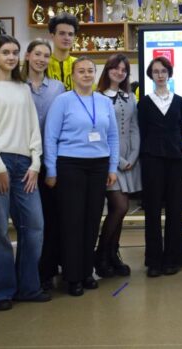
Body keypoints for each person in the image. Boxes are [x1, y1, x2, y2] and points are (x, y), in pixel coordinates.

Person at [0, 35, 48, 311]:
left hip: (25, 165)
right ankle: (1, 292)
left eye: (15, 52)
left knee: (34, 227)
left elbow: (33, 128)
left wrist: (35, 163)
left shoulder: (22, 88)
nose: (11, 57)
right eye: (5, 52)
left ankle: (28, 287)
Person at [44, 57, 119, 296]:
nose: (86, 75)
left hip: (99, 165)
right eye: (81, 71)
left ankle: (87, 272)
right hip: (70, 164)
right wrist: (51, 169)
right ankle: (73, 276)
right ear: (73, 76)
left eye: (90, 71)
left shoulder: (103, 102)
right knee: (72, 222)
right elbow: (50, 136)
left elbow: (113, 136)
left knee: (92, 220)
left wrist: (112, 167)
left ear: (95, 74)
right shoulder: (63, 101)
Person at [138, 57, 182, 277]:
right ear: (151, 75)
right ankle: (154, 261)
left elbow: (180, 129)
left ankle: (173, 259)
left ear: (169, 74)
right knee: (152, 210)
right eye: (156, 71)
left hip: (176, 159)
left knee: (176, 209)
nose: (160, 75)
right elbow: (142, 131)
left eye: (163, 71)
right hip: (152, 159)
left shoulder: (180, 102)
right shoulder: (144, 103)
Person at [21, 39, 65, 292]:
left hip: (50, 161)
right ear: (28, 56)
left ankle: (47, 270)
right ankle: (28, 272)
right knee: (30, 221)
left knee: (51, 217)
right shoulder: (16, 86)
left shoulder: (58, 88)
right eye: (37, 54)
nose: (41, 59)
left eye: (46, 56)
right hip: (23, 160)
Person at [94, 53, 140, 278]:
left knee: (119, 211)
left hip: (129, 161)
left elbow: (134, 128)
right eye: (116, 68)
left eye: (124, 70)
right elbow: (99, 132)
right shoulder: (97, 97)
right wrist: (119, 160)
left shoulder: (130, 97)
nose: (119, 72)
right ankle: (101, 255)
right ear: (107, 69)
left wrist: (133, 155)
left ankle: (113, 255)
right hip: (109, 162)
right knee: (120, 207)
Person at [47, 13, 78, 91]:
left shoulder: (79, 64)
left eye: (70, 34)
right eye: (62, 33)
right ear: (52, 36)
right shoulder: (44, 63)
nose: (67, 38)